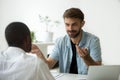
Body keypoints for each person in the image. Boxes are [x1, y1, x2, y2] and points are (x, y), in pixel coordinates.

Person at [33, 7, 102, 75]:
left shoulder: (93, 40)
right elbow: (49, 65)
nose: (70, 28)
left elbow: (98, 71)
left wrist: (87, 58)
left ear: (82, 23)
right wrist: (40, 55)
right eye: (67, 24)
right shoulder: (60, 41)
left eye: (74, 24)